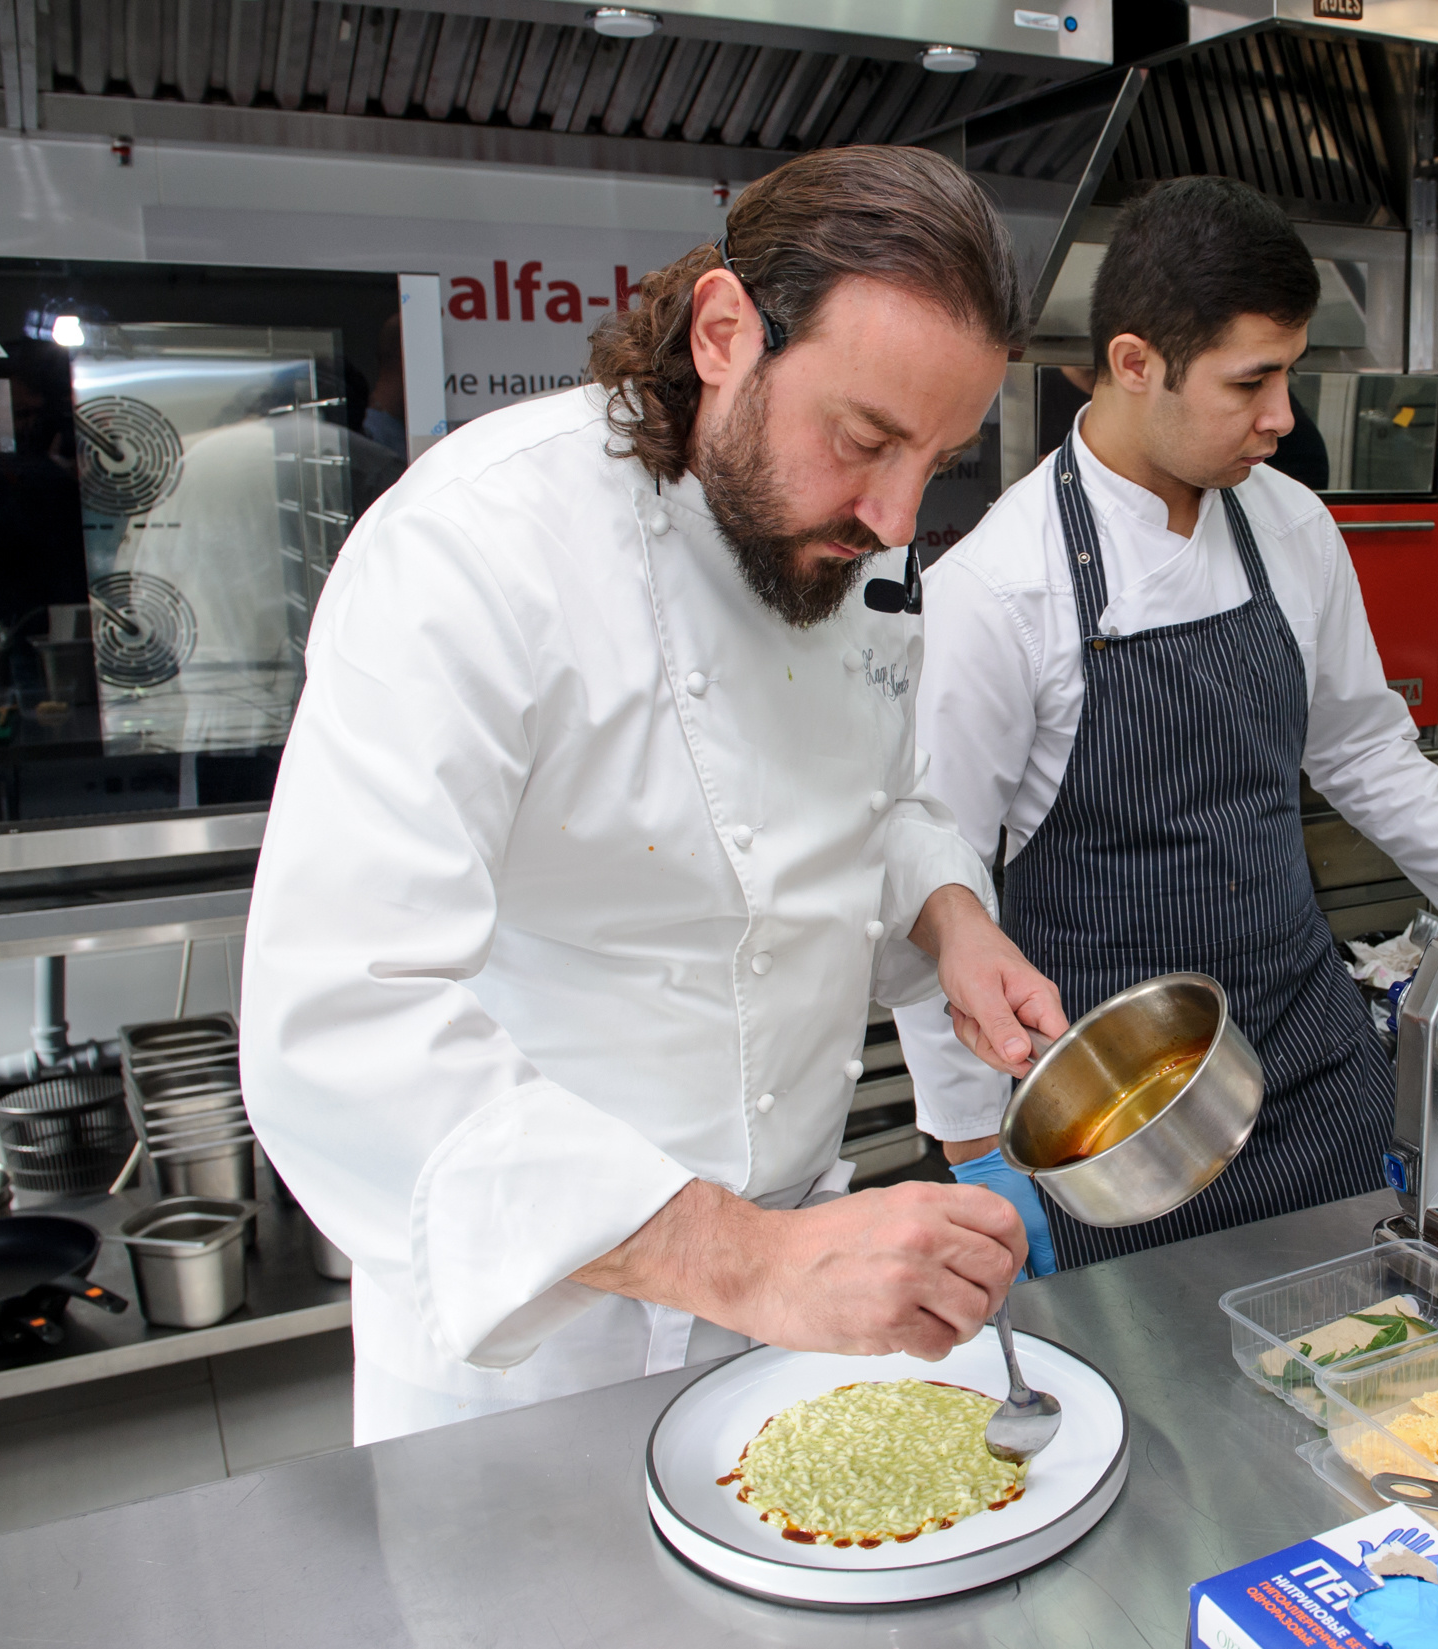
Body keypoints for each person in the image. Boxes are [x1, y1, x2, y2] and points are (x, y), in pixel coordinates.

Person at [241, 147, 1070, 1444]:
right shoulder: (473, 551)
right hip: (535, 1335)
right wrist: (745, 1260)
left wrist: (953, 920)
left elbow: (882, 801)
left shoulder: (830, 548)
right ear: (725, 333)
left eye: (940, 459)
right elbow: (339, 1022)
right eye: (865, 440)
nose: (900, 518)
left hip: (791, 1301)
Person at [891, 177, 1438, 1271]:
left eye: (1292, 376)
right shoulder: (1001, 587)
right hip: (1114, 1106)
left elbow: (1358, 744)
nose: (1282, 418)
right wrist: (975, 1139)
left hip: (1306, 1051)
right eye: (1250, 381)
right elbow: (935, 878)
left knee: (1371, 1336)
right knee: (1163, 1405)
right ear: (1134, 363)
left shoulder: (1290, 522)